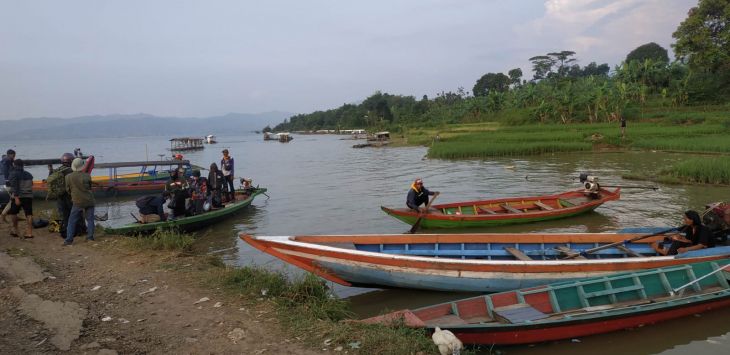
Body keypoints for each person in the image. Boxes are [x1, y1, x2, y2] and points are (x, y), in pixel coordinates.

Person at [64, 158, 95, 246]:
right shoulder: (87, 176)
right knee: (90, 219)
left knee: (72, 220)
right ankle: (90, 237)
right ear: (82, 166)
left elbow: (68, 190)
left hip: (77, 201)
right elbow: (89, 187)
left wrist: (74, 195)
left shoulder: (68, 177)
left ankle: (69, 240)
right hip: (89, 200)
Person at [48, 153, 75, 238]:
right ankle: (74, 231)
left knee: (63, 214)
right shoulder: (71, 170)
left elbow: (50, 180)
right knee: (72, 213)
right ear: (71, 161)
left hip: (59, 195)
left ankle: (64, 232)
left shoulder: (57, 170)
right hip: (69, 195)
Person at [7, 159, 33, 238]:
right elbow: (31, 185)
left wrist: (16, 197)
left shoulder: (13, 174)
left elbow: (14, 187)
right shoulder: (29, 174)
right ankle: (29, 232)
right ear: (22, 165)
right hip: (28, 196)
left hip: (18, 196)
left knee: (13, 213)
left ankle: (15, 230)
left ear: (15, 165)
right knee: (29, 214)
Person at [0, 149, 16, 222]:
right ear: (9, 154)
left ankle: (9, 214)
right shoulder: (7, 161)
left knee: (13, 199)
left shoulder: (4, 161)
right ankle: (3, 214)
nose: (14, 157)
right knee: (14, 199)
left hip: (7, 182)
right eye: (14, 155)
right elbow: (9, 172)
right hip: (9, 183)